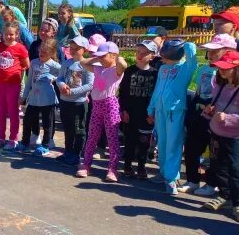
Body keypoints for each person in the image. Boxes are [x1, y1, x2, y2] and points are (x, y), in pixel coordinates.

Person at [184, 34, 235, 195]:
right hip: (200, 112)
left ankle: (212, 184)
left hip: (219, 116)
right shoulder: (203, 69)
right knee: (192, 147)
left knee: (214, 152)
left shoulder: (230, 72)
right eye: (209, 51)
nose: (210, 54)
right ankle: (192, 180)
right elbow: (199, 90)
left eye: (215, 51)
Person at [146, 39, 198, 195]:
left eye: (164, 55)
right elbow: (157, 89)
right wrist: (151, 107)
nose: (161, 59)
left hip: (175, 111)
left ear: (173, 54)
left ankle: (171, 178)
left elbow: (193, 62)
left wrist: (187, 46)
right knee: (162, 143)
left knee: (173, 145)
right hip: (160, 111)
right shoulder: (163, 69)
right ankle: (163, 172)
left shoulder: (184, 68)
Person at [201, 50, 239, 222]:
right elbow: (217, 107)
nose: (221, 71)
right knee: (219, 166)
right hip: (217, 134)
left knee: (236, 169)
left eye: (226, 68)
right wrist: (209, 111)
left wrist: (228, 118)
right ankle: (225, 195)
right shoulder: (221, 85)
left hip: (236, 138)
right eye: (220, 68)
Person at [78, 41, 128, 181]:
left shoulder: (116, 70)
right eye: (99, 56)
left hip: (110, 105)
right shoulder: (99, 68)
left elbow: (123, 65)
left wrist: (118, 57)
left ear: (113, 56)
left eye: (103, 56)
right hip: (97, 105)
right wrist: (97, 57)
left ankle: (112, 169)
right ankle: (86, 165)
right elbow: (82, 62)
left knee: (112, 138)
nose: (100, 58)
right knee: (92, 136)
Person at [118, 40, 159, 180]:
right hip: (130, 114)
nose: (140, 55)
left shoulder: (155, 74)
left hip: (146, 115)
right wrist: (123, 110)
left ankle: (141, 167)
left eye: (144, 53)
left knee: (144, 143)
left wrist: (153, 113)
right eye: (138, 52)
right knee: (129, 141)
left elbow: (156, 95)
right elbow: (122, 93)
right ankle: (127, 166)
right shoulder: (129, 71)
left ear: (152, 56)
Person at [19, 38, 61, 156]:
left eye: (45, 52)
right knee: (28, 121)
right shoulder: (34, 62)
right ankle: (25, 142)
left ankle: (45, 145)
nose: (41, 53)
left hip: (47, 99)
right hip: (33, 98)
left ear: (52, 53)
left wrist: (55, 79)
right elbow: (29, 82)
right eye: (40, 51)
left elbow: (63, 76)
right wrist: (24, 96)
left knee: (47, 123)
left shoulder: (55, 65)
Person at [56, 36, 94, 166]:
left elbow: (90, 85)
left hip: (79, 102)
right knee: (68, 127)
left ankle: (77, 154)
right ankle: (68, 151)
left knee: (79, 129)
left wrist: (72, 92)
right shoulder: (66, 63)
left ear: (84, 49)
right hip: (65, 101)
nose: (72, 51)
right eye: (71, 48)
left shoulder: (87, 65)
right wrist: (62, 86)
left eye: (76, 48)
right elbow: (59, 78)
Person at [0, 21, 30, 150]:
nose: (9, 37)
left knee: (13, 111)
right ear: (3, 34)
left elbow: (27, 64)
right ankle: (0, 137)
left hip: (13, 84)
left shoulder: (20, 48)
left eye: (12, 34)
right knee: (1, 111)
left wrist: (17, 71)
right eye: (7, 34)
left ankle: (13, 139)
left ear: (17, 34)